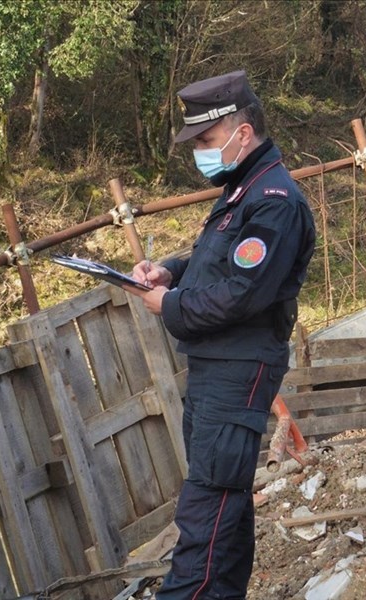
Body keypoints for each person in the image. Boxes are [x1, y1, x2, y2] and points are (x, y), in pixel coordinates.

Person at [127, 70, 315, 600]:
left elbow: (243, 293)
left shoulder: (274, 199)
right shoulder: (243, 189)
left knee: (206, 507)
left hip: (240, 369)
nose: (201, 154)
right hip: (219, 367)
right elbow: (219, 261)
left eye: (206, 142)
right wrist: (171, 272)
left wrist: (171, 306)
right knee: (224, 503)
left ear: (242, 133)